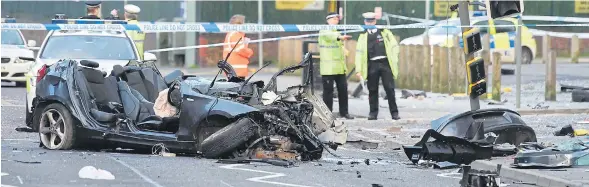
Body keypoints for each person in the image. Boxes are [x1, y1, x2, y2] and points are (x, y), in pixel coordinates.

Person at [354, 12, 400, 120]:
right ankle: (373, 113)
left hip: (385, 63)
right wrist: (358, 70)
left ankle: (394, 113)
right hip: (372, 64)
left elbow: (394, 46)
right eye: (367, 21)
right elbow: (359, 54)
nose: (370, 23)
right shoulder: (362, 36)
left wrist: (394, 59)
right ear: (365, 22)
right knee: (372, 90)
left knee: (389, 89)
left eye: (372, 21)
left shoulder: (385, 32)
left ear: (375, 21)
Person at [319, 12, 353, 119]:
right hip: (328, 69)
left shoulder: (337, 32)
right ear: (328, 20)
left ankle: (344, 112)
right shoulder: (324, 30)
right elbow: (330, 37)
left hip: (339, 68)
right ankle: (328, 114)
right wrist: (340, 37)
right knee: (328, 93)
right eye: (334, 19)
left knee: (343, 91)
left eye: (337, 19)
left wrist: (344, 50)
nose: (337, 21)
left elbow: (336, 45)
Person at [223, 14, 254, 79]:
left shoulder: (232, 34)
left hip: (234, 69)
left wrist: (244, 43)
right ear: (239, 24)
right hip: (237, 70)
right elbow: (240, 50)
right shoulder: (235, 34)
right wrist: (250, 52)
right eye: (244, 23)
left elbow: (236, 48)